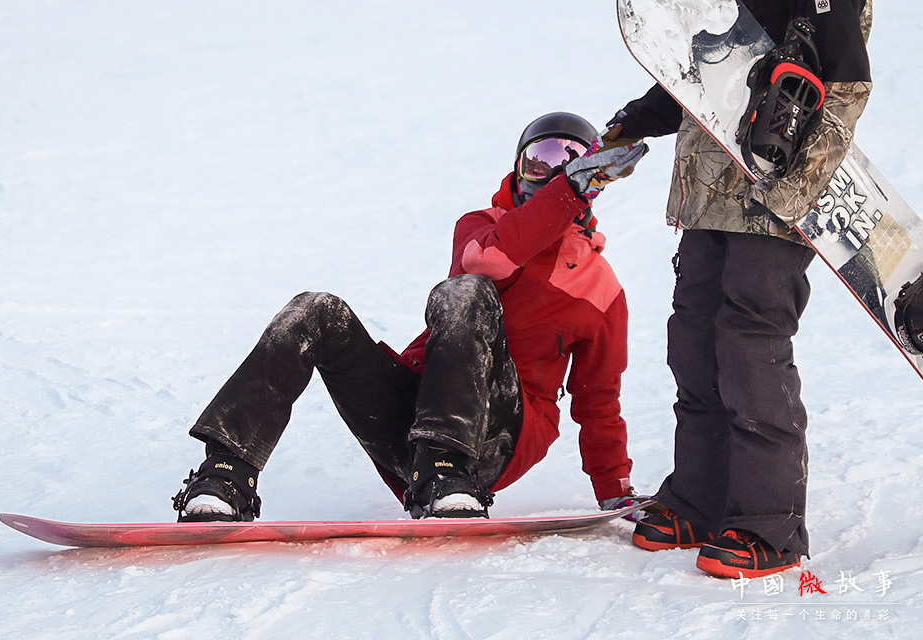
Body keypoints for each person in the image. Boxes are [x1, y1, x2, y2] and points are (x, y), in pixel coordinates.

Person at [171, 112, 649, 522]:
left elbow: (598, 400)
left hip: (498, 435)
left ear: (597, 179)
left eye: (571, 160)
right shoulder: (483, 226)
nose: (553, 170)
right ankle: (226, 476)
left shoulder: (600, 288)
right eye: (540, 157)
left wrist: (615, 491)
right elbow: (490, 262)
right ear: (519, 167)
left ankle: (450, 473)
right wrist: (566, 191)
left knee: (467, 292)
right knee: (318, 310)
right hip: (416, 421)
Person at [606, 0, 873, 578]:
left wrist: (794, 193)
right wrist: (635, 119)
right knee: (694, 340)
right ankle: (698, 501)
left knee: (751, 345)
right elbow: (703, 71)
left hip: (773, 197)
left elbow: (848, 86)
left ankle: (768, 523)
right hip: (705, 189)